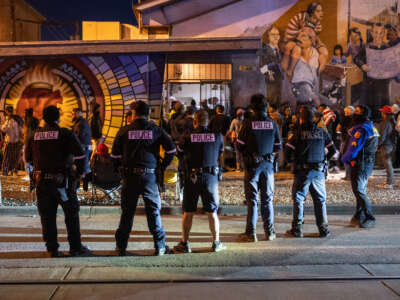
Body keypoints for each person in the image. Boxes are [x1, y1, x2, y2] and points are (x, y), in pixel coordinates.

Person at [112, 101, 176, 256]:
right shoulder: (156, 130)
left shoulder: (123, 131)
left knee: (127, 212)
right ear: (148, 114)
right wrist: (161, 165)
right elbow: (171, 150)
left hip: (130, 176)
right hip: (149, 176)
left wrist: (121, 171)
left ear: (133, 113)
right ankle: (160, 246)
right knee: (153, 212)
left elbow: (114, 156)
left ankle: (121, 248)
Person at [25, 105, 90, 257]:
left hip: (42, 181)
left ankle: (52, 249)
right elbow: (80, 155)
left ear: (43, 118)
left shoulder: (34, 135)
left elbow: (28, 159)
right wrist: (79, 173)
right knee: (71, 214)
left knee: (47, 217)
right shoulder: (65, 133)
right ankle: (75, 247)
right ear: (58, 118)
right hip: (63, 183)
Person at [173, 109, 226, 253]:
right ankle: (216, 242)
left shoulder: (188, 136)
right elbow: (220, 152)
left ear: (195, 121)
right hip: (211, 177)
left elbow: (179, 152)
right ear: (207, 121)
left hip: (193, 177)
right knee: (212, 212)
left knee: (188, 211)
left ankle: (185, 244)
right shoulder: (217, 136)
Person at [236, 94, 282, 242]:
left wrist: (249, 154)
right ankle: (270, 232)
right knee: (267, 200)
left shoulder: (248, 124)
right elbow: (278, 146)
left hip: (252, 167)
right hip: (268, 167)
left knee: (253, 201)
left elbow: (239, 145)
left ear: (253, 108)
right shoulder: (272, 123)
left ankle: (251, 233)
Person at [286, 105, 337, 237]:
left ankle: (297, 229)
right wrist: (324, 159)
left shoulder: (296, 133)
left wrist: (292, 162)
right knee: (320, 201)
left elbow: (287, 152)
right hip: (318, 171)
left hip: (302, 172)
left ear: (301, 119)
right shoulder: (321, 131)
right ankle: (323, 229)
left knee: (299, 200)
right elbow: (332, 150)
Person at [341, 105, 379, 228]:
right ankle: (358, 215)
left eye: (357, 112)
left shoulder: (362, 129)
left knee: (359, 190)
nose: (354, 114)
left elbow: (353, 148)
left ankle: (369, 217)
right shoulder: (372, 127)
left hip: (361, 163)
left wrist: (344, 159)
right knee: (360, 189)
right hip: (367, 162)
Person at [354, 23, 390, 120]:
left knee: (380, 113)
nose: (378, 36)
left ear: (384, 34)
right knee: (366, 112)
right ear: (372, 33)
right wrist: (363, 65)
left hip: (382, 86)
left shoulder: (387, 48)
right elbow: (356, 58)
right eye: (376, 33)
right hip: (368, 85)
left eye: (381, 33)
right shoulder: (367, 46)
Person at [283, 2, 329, 78]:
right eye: (318, 11)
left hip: (308, 40)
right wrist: (302, 30)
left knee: (325, 52)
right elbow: (291, 33)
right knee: (297, 50)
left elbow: (314, 36)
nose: (321, 13)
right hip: (294, 38)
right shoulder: (301, 17)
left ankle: (317, 73)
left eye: (321, 11)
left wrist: (319, 43)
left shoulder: (318, 23)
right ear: (312, 12)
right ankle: (290, 71)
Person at [260, 26, 283, 106]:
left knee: (278, 102)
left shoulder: (279, 50)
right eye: (273, 34)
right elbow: (261, 68)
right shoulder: (264, 50)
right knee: (272, 102)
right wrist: (268, 72)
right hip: (270, 81)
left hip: (279, 81)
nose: (276, 36)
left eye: (277, 34)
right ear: (268, 36)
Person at [376, 105, 396, 189]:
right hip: (390, 145)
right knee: (388, 164)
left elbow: (383, 135)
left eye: (382, 111)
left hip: (386, 145)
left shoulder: (386, 122)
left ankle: (389, 183)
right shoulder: (391, 121)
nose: (381, 113)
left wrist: (378, 144)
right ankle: (389, 182)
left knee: (387, 164)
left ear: (384, 113)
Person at [1, 106, 23, 176]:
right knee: (7, 158)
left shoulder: (16, 119)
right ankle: (5, 171)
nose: (9, 112)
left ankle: (14, 171)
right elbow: (4, 129)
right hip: (9, 141)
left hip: (16, 142)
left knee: (15, 157)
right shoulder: (8, 120)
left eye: (10, 111)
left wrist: (21, 139)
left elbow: (21, 130)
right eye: (8, 111)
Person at [336, 106, 355, 180]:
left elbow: (339, 128)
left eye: (347, 111)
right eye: (345, 111)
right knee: (345, 156)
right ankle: (348, 174)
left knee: (346, 156)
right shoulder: (344, 119)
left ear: (352, 111)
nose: (346, 113)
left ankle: (349, 175)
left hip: (349, 140)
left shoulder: (354, 119)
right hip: (344, 139)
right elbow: (338, 127)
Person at [72, 108, 92, 178]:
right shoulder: (81, 122)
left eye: (74, 113)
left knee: (85, 166)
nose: (73, 115)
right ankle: (86, 182)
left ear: (79, 113)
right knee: (84, 166)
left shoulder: (81, 123)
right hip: (85, 147)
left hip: (84, 147)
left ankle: (87, 182)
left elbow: (79, 136)